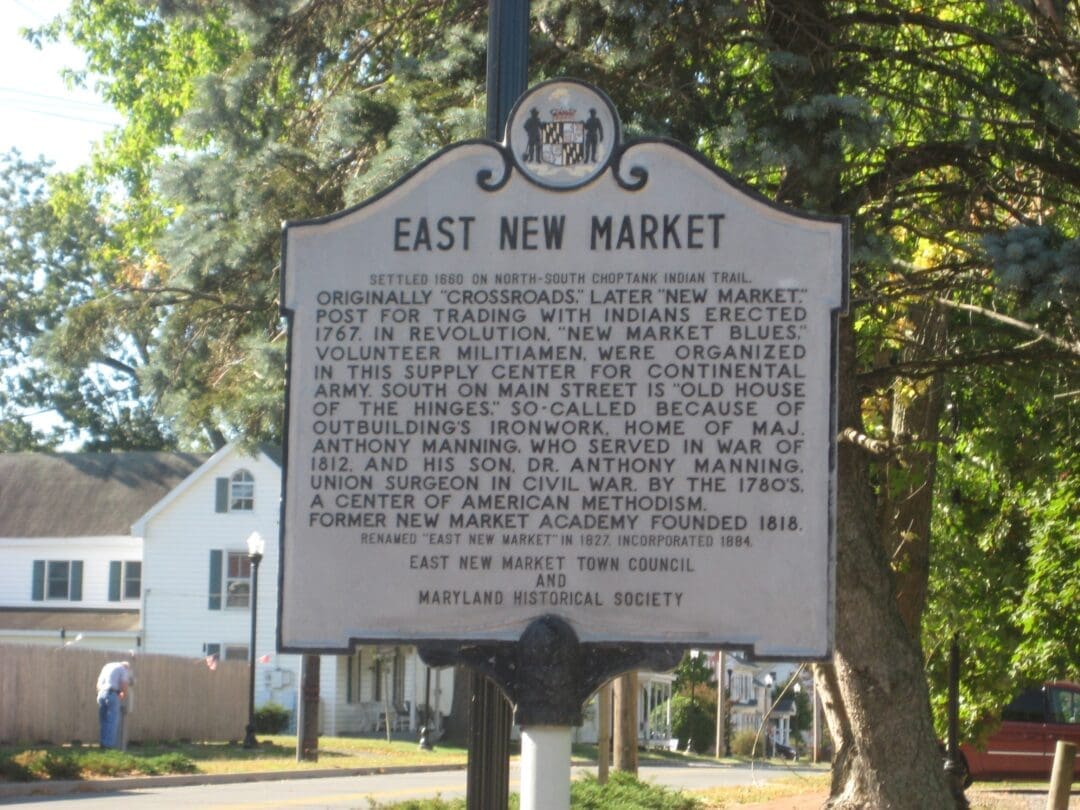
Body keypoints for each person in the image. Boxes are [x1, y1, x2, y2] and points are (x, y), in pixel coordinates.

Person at [96, 660, 132, 749]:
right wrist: (122, 694)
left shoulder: (107, 666)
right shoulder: (123, 669)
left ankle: (102, 744)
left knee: (103, 720)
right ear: (127, 667)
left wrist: (102, 692)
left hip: (101, 694)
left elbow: (98, 683)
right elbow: (124, 684)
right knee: (112, 720)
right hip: (112, 694)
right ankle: (108, 745)